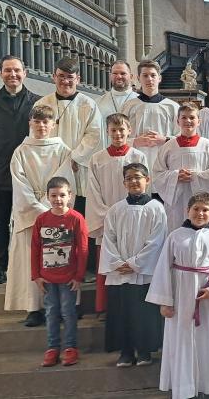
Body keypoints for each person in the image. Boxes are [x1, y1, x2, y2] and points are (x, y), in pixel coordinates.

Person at [146, 192, 209, 399]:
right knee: (183, 341)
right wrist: (165, 301)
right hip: (181, 297)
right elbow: (163, 269)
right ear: (188, 211)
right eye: (196, 209)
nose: (200, 213)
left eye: (205, 209)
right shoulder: (176, 236)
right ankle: (185, 387)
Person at [5, 105, 74, 327]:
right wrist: (42, 209)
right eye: (37, 121)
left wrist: (51, 208)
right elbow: (20, 185)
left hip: (56, 210)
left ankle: (61, 306)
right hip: (30, 214)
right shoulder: (21, 151)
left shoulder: (62, 149)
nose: (41, 126)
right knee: (30, 261)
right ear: (30, 123)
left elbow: (63, 180)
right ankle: (33, 308)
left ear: (53, 124)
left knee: (58, 258)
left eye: (46, 122)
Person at [0, 55, 41, 286]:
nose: (12, 75)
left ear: (25, 73)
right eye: (7, 71)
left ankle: (30, 265)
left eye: (17, 70)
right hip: (0, 171)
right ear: (0, 74)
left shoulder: (38, 102)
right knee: (0, 222)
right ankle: (0, 268)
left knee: (31, 220)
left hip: (30, 171)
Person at [99, 163, 167, 367]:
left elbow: (157, 240)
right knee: (122, 312)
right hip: (119, 272)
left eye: (138, 177)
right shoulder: (116, 209)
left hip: (144, 272)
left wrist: (136, 263)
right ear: (124, 182)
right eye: (129, 178)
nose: (134, 181)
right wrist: (117, 262)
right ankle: (126, 351)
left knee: (143, 312)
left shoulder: (156, 208)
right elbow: (108, 239)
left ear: (147, 180)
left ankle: (145, 351)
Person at [86, 113, 149, 313]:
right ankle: (106, 307)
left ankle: (133, 306)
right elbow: (93, 192)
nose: (118, 134)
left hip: (133, 218)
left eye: (122, 129)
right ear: (107, 132)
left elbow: (144, 187)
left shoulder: (138, 157)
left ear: (129, 131)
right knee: (109, 260)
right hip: (106, 220)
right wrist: (109, 217)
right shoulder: (97, 159)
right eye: (113, 130)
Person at [33, 57, 103, 216]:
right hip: (49, 167)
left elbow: (94, 136)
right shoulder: (41, 104)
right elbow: (36, 135)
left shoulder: (88, 104)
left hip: (78, 168)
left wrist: (75, 158)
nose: (65, 81)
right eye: (61, 76)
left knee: (78, 216)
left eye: (70, 77)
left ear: (78, 79)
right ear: (54, 77)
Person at [31, 176, 88, 367]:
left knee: (68, 312)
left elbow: (83, 249)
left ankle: (71, 348)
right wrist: (36, 275)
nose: (58, 199)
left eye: (62, 195)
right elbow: (35, 249)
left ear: (70, 196)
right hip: (47, 278)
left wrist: (79, 276)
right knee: (51, 312)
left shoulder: (76, 219)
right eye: (54, 195)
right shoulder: (41, 219)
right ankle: (52, 348)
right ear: (47, 196)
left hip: (69, 277)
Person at [151, 103, 209, 229]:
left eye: (192, 117)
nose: (188, 121)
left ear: (199, 121)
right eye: (184, 117)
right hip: (176, 203)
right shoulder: (168, 147)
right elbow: (157, 173)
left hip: (201, 203)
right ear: (177, 121)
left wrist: (195, 176)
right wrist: (175, 176)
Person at [123, 60, 181, 166]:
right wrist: (135, 141)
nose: (149, 79)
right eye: (145, 75)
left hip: (164, 160)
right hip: (135, 161)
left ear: (159, 78)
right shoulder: (129, 106)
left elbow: (181, 136)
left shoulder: (172, 107)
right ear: (138, 78)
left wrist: (165, 139)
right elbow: (120, 136)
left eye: (153, 75)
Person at [95, 60, 139, 148]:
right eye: (115, 73)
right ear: (110, 76)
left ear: (131, 76)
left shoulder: (140, 101)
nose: (119, 76)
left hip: (133, 155)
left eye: (123, 73)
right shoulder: (98, 102)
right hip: (106, 154)